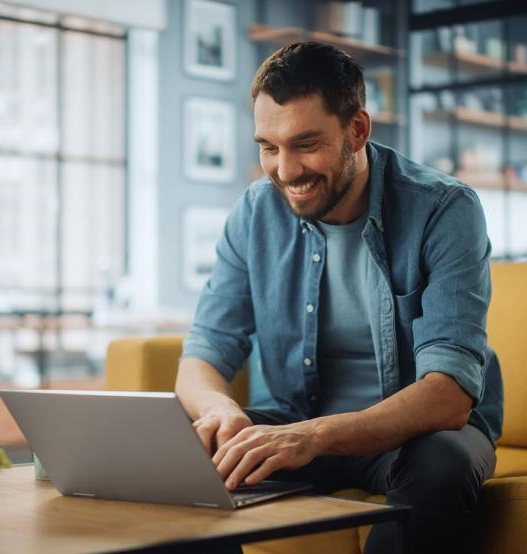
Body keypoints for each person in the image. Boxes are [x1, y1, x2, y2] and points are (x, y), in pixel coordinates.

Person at [176, 42, 502, 554]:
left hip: (416, 436)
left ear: (357, 130)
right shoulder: (255, 213)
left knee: (444, 465)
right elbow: (203, 354)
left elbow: (449, 394)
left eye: (305, 144)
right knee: (178, 459)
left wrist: (313, 436)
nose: (284, 170)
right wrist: (221, 410)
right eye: (268, 146)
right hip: (297, 422)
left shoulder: (444, 209)